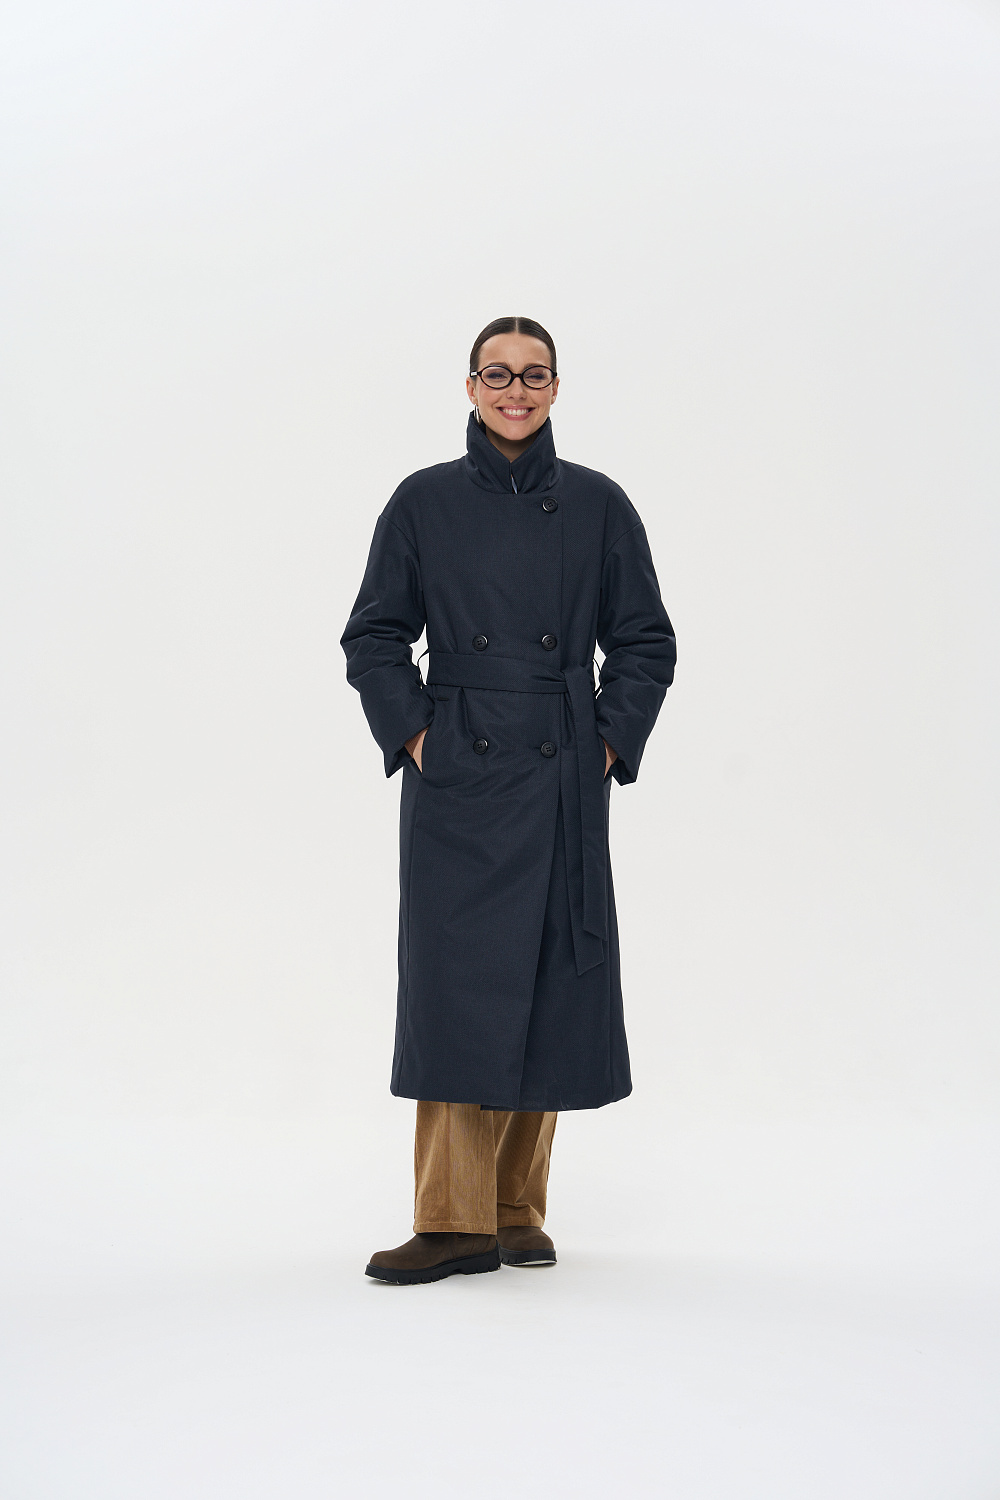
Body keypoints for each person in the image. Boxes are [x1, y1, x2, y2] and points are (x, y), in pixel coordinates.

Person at [341, 316, 676, 1285]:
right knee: (455, 990)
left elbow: (645, 640)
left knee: (547, 982)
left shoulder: (600, 504)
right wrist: (420, 737)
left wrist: (604, 743)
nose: (515, 391)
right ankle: (450, 1221)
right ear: (470, 387)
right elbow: (373, 636)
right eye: (498, 374)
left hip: (559, 764)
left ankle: (513, 1211)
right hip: (459, 773)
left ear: (556, 388)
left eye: (533, 375)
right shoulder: (422, 501)